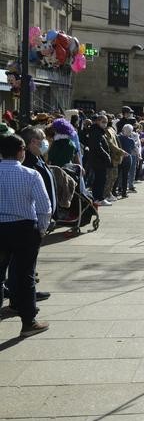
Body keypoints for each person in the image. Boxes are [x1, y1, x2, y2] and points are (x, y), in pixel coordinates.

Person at [0, 134, 51, 337]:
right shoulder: (30, 174)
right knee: (25, 275)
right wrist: (41, 229)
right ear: (21, 151)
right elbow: (44, 207)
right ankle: (28, 321)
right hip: (24, 228)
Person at [86, 114, 112, 205]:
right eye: (103, 122)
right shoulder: (96, 131)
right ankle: (99, 198)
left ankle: (98, 198)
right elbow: (97, 146)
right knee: (100, 179)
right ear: (97, 121)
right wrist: (106, 156)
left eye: (106, 122)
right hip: (98, 160)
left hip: (99, 160)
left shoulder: (98, 131)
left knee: (100, 179)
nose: (105, 124)